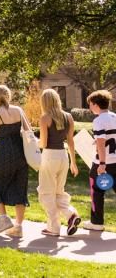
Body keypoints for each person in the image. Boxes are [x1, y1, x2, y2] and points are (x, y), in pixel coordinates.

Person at [0, 84, 30, 237]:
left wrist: (0, 132)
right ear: (8, 96)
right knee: (19, 188)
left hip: (5, 154)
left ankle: (4, 218)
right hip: (21, 156)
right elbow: (29, 131)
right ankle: (18, 227)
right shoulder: (18, 110)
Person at [37, 87, 80, 236]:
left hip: (49, 156)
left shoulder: (45, 118)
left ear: (44, 102)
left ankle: (54, 227)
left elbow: (43, 144)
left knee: (45, 193)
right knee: (58, 192)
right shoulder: (68, 117)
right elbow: (71, 141)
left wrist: (32, 142)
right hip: (64, 157)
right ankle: (70, 215)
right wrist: (74, 163)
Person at [85, 89, 116, 231]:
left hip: (102, 162)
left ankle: (96, 223)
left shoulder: (98, 120)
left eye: (90, 104)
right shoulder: (114, 117)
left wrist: (102, 164)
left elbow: (102, 144)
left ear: (96, 104)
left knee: (96, 190)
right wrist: (96, 141)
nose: (90, 107)